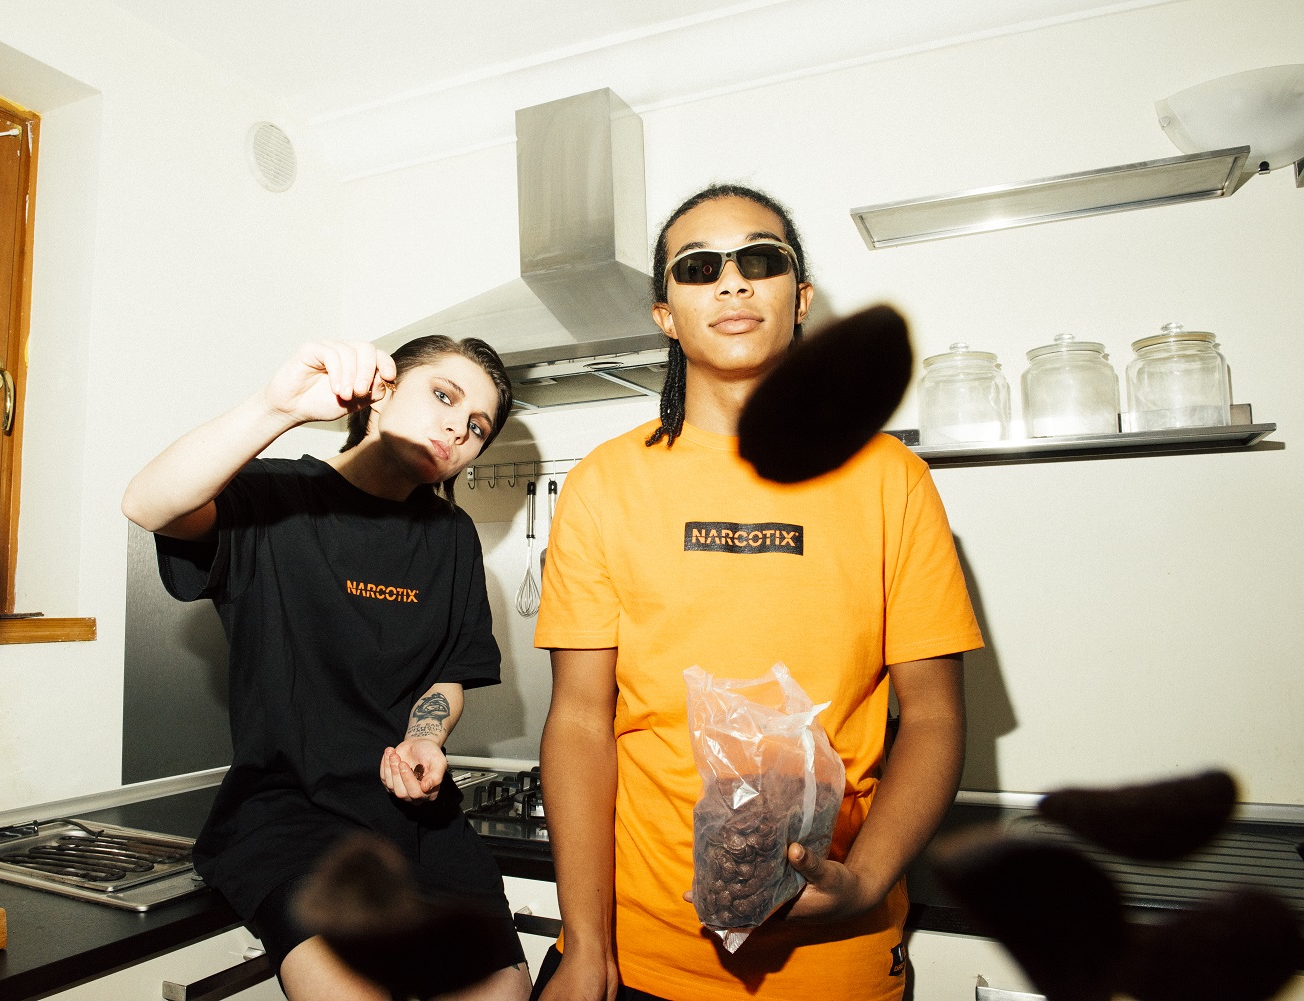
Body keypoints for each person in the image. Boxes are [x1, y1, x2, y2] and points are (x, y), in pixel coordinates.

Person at [532, 185, 984, 1001]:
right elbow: (579, 721)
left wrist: (866, 880)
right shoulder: (604, 484)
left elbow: (934, 716)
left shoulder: (892, 480)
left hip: (835, 959)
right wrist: (587, 943)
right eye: (699, 267)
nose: (732, 281)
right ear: (667, 315)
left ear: (799, 297)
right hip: (640, 954)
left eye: (760, 259)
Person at [122, 336, 531, 1001]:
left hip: (419, 821)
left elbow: (448, 674)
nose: (459, 428)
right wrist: (276, 408)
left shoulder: (452, 535)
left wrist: (425, 736)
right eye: (444, 395)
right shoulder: (275, 496)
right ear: (383, 391)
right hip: (291, 817)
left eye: (478, 426)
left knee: (503, 991)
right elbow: (147, 504)